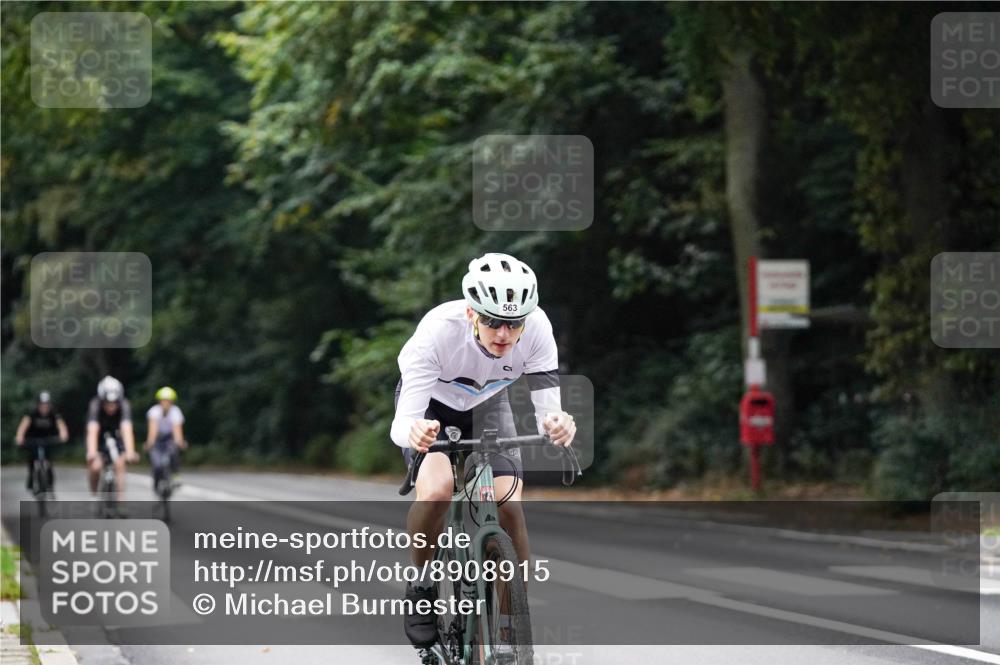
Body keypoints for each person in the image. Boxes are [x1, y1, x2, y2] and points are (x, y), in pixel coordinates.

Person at [391, 252, 577, 648]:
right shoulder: (436, 333)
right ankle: (422, 586)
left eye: (513, 324)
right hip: (430, 409)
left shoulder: (539, 329)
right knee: (439, 489)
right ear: (472, 313)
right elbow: (400, 424)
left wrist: (559, 423)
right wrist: (416, 432)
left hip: (489, 405)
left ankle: (513, 627)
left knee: (510, 505)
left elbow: (549, 412)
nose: (503, 334)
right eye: (492, 321)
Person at [86, 376, 139, 496]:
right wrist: (92, 452)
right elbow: (92, 430)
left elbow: (127, 429)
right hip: (99, 437)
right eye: (107, 403)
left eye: (114, 403)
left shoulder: (125, 405)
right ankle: (93, 494)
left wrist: (130, 452)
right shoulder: (95, 405)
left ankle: (121, 502)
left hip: (116, 436)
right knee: (95, 467)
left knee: (120, 464)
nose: (111, 407)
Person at [15, 391, 69, 490]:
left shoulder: (54, 413)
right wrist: (20, 436)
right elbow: (24, 425)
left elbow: (61, 424)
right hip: (33, 439)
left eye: (46, 405)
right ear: (38, 404)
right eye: (42, 405)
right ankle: (31, 477)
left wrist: (63, 434)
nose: (44, 407)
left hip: (48, 439)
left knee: (49, 462)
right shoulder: (32, 413)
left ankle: (50, 483)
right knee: (31, 459)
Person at [144, 386, 187, 491]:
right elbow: (152, 431)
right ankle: (156, 481)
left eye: (168, 401)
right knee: (157, 465)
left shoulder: (176, 412)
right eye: (163, 401)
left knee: (173, 452)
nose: (165, 403)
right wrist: (149, 443)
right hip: (157, 439)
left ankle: (175, 475)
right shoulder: (154, 411)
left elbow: (177, 430)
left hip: (169, 439)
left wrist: (180, 442)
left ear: (172, 402)